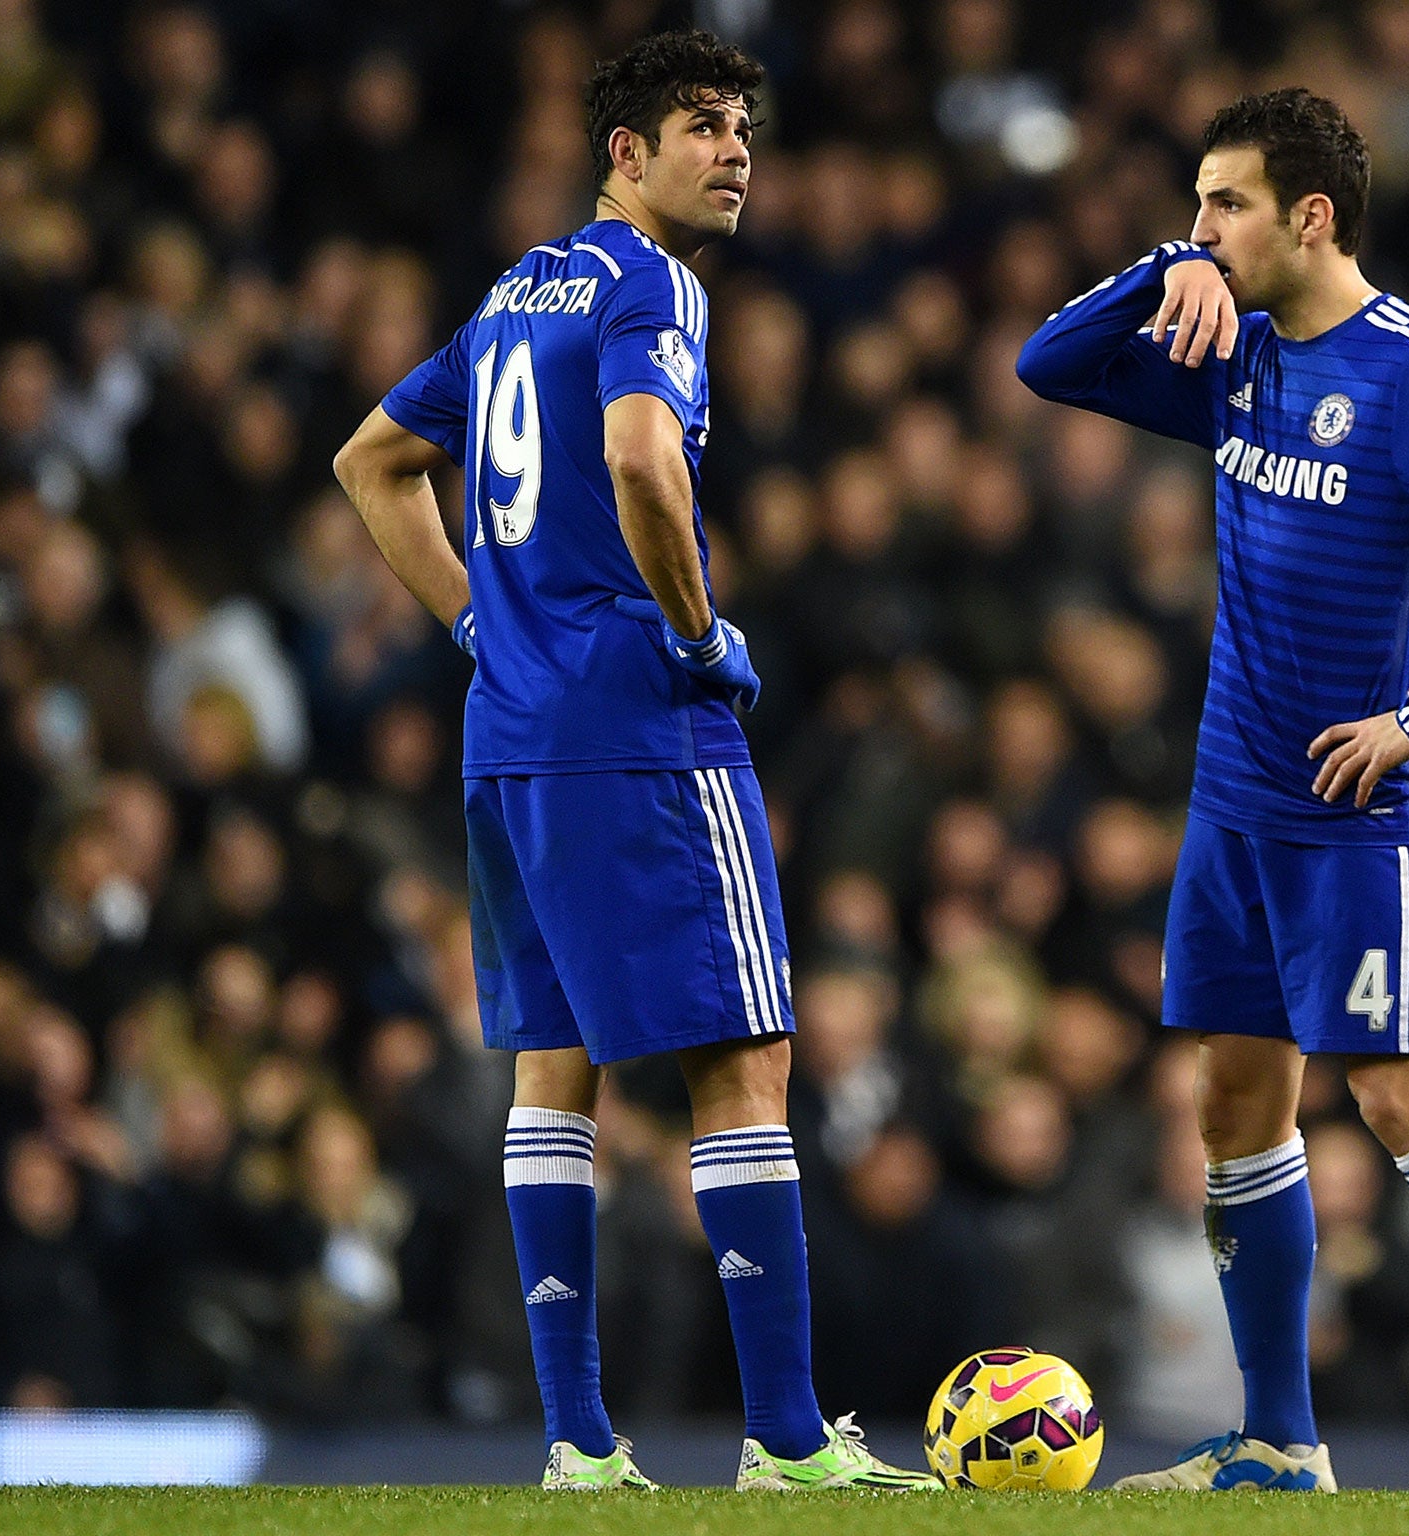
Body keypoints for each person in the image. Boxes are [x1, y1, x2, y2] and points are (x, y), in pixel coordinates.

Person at [332, 30, 934, 1494]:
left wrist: (483, 621)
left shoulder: (508, 291)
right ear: (626, 151)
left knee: (558, 1067)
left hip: (516, 731)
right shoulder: (650, 284)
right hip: (635, 723)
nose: (736, 151)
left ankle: (578, 1449)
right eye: (704, 126)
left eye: (745, 129)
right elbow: (643, 460)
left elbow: (370, 462)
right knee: (746, 1058)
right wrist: (698, 628)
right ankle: (788, 1442)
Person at [1017, 87, 1409, 1494]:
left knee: (1404, 1097)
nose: (1202, 228)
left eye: (1224, 205)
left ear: (1312, 217)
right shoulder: (1237, 352)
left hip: (1363, 815)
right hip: (1233, 806)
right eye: (1198, 204)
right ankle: (1280, 1441)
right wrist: (1168, 269)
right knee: (1234, 1107)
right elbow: (1050, 361)